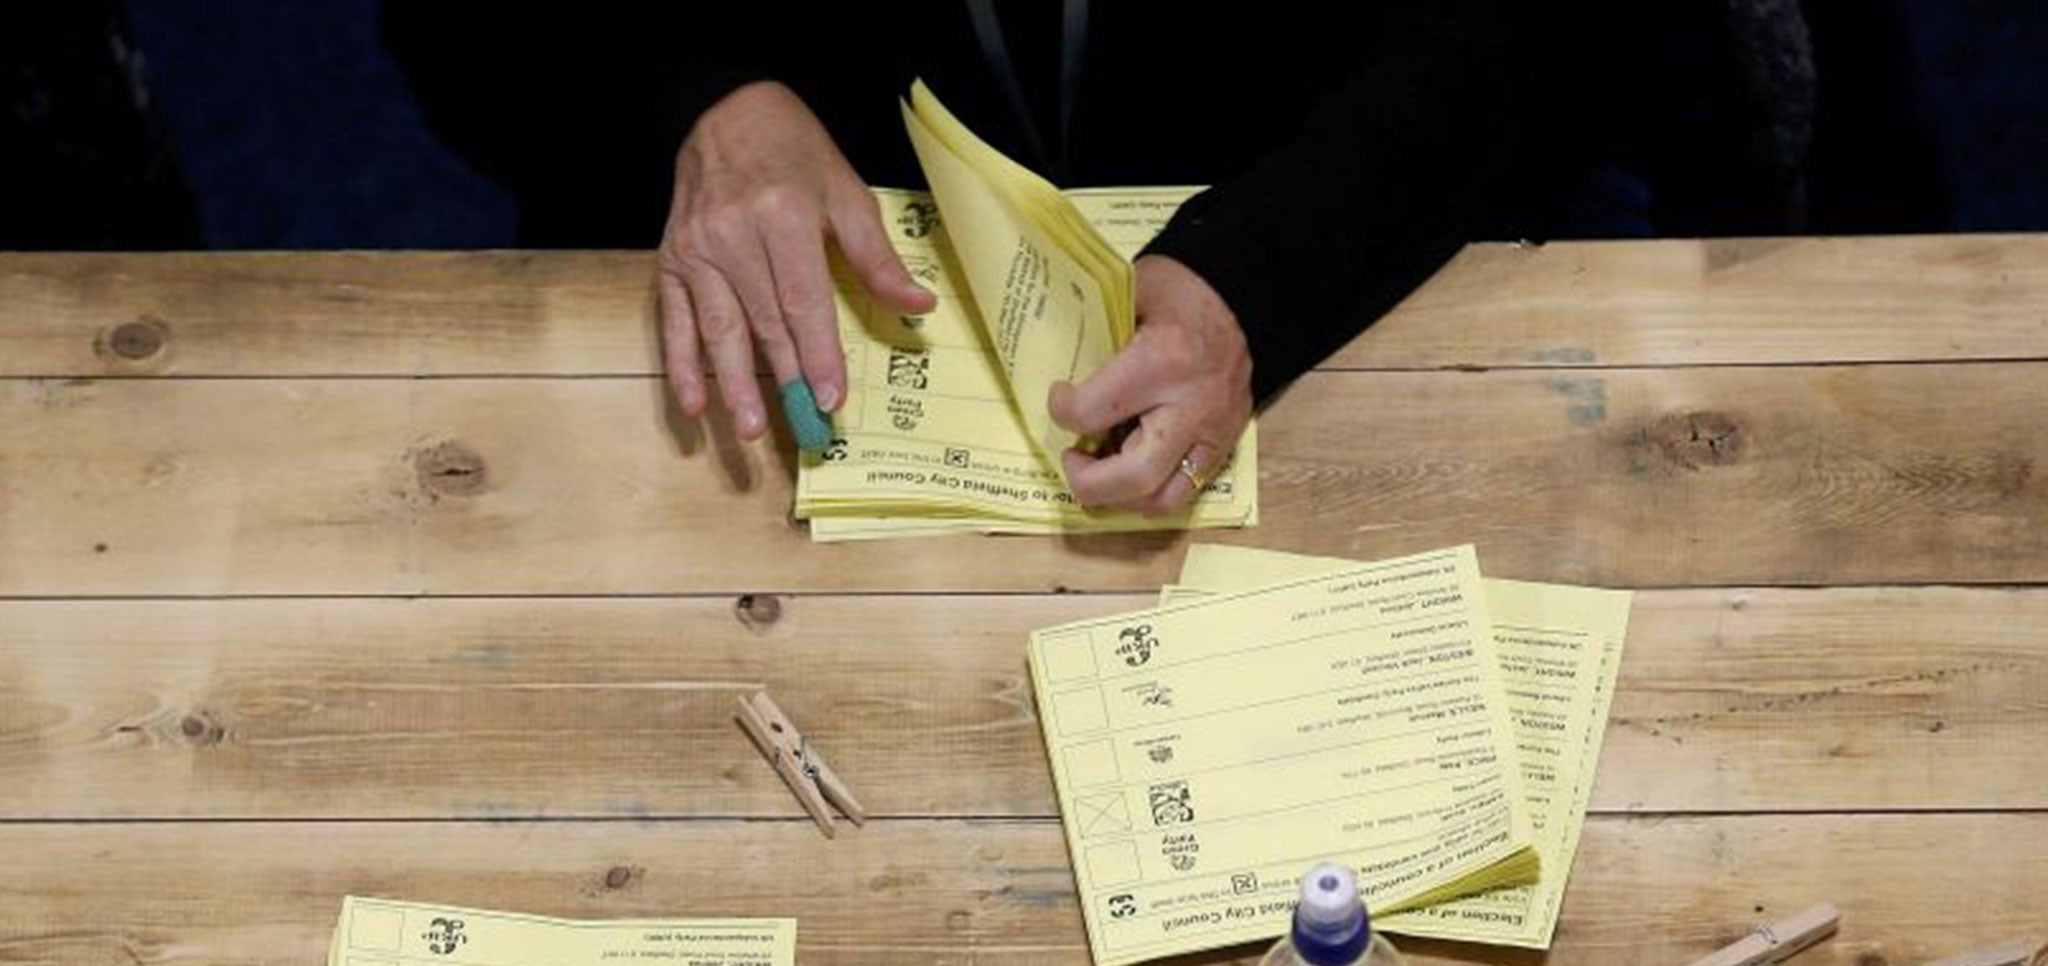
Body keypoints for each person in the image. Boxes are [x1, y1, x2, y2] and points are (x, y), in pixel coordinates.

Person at [386, 3, 1944, 511]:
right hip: (779, 354)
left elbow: (1522, 35)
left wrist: (1258, 274)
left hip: (1338, 255)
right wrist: (705, 90)